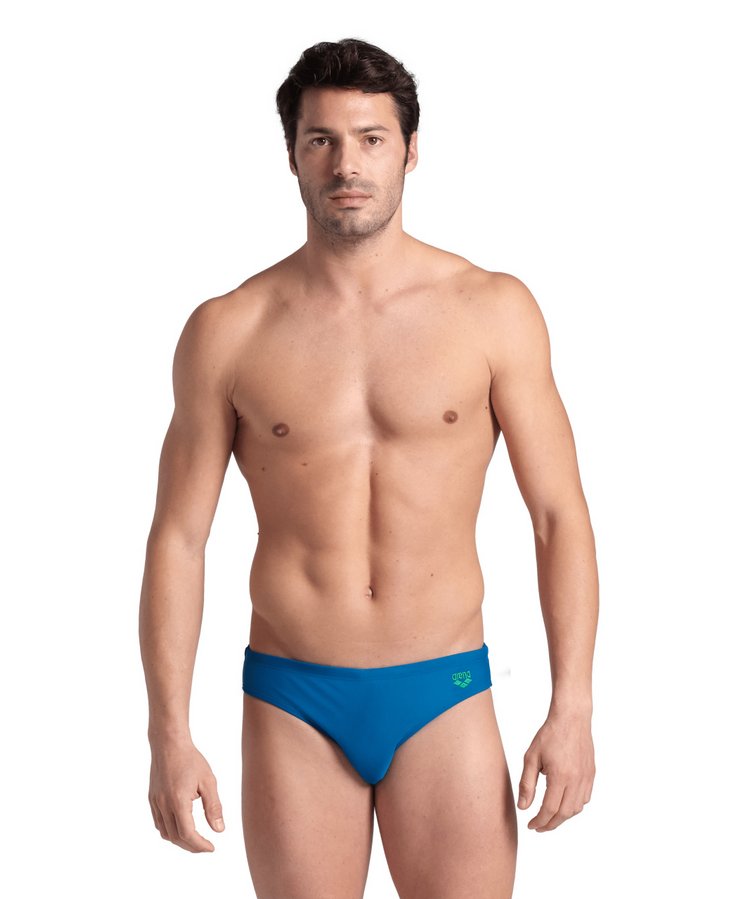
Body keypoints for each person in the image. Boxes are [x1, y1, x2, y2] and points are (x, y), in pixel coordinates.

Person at [139, 37, 598, 899]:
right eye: (322, 140)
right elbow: (179, 537)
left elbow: (558, 516)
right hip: (293, 696)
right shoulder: (228, 329)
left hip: (444, 687)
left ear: (410, 150)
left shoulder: (492, 311)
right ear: (292, 155)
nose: (346, 164)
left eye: (371, 139)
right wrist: (169, 731)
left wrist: (572, 704)